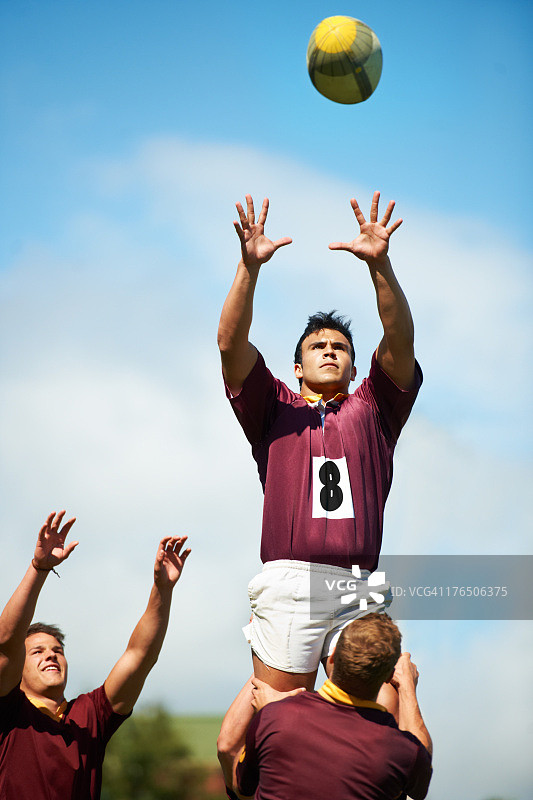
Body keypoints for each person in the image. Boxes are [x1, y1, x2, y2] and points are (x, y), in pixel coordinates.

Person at [217, 192, 422, 695]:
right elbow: (230, 345)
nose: (330, 351)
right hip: (291, 581)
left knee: (383, 717)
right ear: (296, 367)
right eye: (318, 346)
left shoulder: (374, 408)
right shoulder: (274, 408)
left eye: (340, 348)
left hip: (359, 584)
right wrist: (248, 268)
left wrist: (380, 266)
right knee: (281, 722)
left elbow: (400, 343)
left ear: (354, 368)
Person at [0, 510, 191, 799]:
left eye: (57, 650)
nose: (51, 656)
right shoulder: (9, 712)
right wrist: (38, 569)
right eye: (37, 651)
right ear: (17, 668)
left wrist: (162, 590)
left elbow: (139, 656)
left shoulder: (89, 716)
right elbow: (6, 641)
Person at [218, 613, 433, 800]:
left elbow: (242, 783)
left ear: (332, 657)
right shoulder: (401, 750)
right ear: (389, 674)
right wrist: (407, 688)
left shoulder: (277, 716)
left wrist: (273, 652)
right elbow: (421, 763)